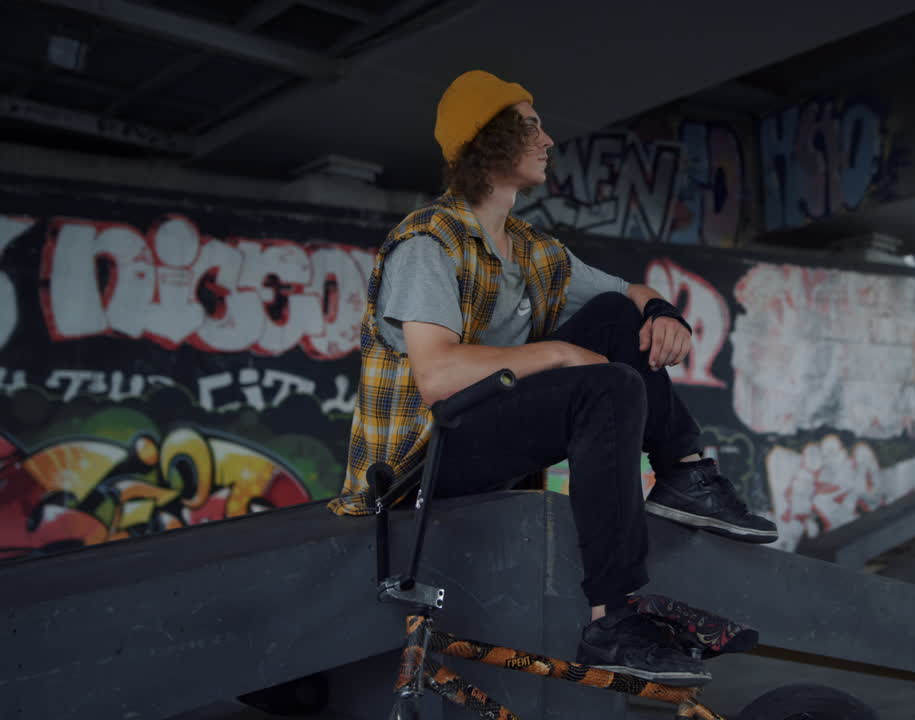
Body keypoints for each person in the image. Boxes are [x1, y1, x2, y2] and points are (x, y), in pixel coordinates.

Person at [330, 70, 777, 685]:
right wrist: (561, 354)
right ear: (490, 139)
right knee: (609, 385)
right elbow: (438, 374)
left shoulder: (532, 249)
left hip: (484, 434)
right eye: (532, 126)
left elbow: (628, 295)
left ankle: (685, 475)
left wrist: (662, 312)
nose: (548, 140)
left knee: (618, 316)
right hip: (422, 461)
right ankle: (611, 619)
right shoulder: (428, 242)